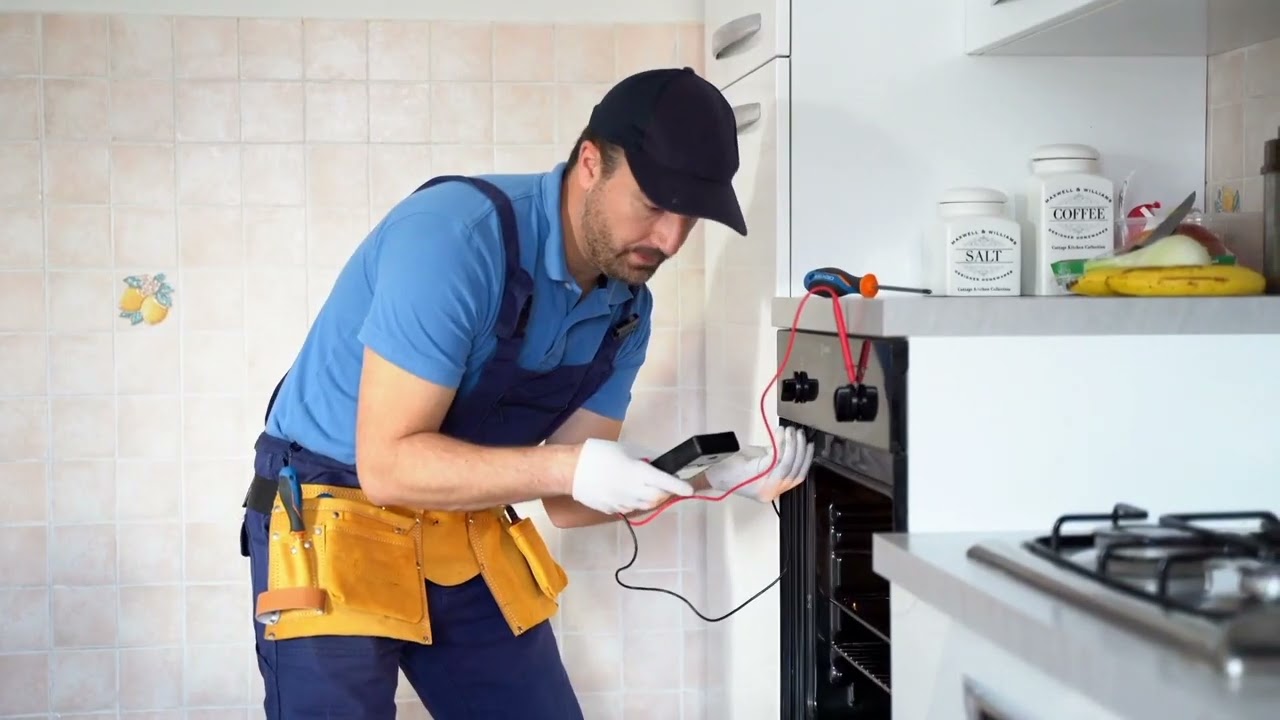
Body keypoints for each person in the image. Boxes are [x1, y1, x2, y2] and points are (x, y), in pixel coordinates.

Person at [237, 66, 816, 719]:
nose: (669, 240)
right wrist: (570, 467)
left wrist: (704, 477)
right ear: (590, 164)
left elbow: (569, 501)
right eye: (654, 206)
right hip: (329, 508)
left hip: (458, 517)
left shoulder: (626, 312)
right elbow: (389, 466)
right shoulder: (456, 240)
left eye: (690, 218)